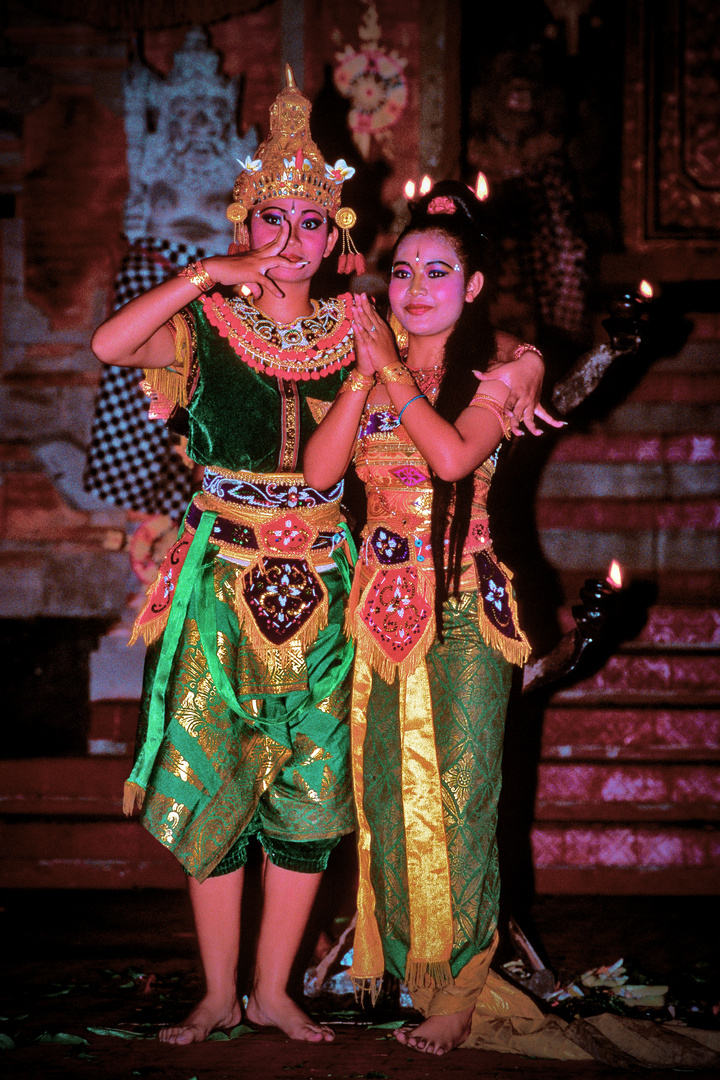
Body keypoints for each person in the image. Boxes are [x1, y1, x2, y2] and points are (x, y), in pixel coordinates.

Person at [303, 180, 584, 1059]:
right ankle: (408, 968)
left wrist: (389, 365)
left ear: (471, 287)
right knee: (383, 797)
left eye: (437, 272)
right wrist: (364, 369)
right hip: (379, 608)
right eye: (402, 272)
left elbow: (456, 455)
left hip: (466, 602)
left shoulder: (499, 362)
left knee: (463, 795)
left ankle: (462, 988)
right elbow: (320, 478)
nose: (414, 288)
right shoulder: (369, 357)